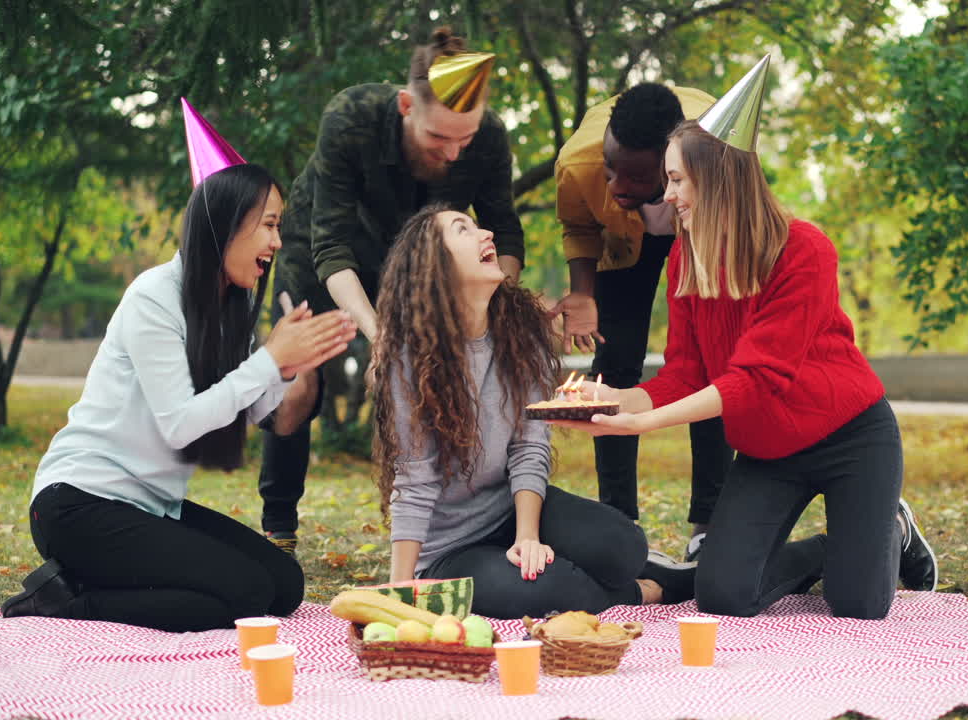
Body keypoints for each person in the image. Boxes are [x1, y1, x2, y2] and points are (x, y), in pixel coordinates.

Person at [553, 57, 937, 619]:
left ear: (717, 178)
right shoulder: (686, 256)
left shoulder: (806, 250)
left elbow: (755, 378)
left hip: (850, 437)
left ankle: (890, 531)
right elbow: (686, 373)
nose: (668, 196)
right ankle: (831, 550)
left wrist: (642, 421)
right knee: (723, 594)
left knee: (858, 605)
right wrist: (609, 401)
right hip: (769, 450)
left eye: (677, 180)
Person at [0, 163, 358, 631]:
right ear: (227, 224)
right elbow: (181, 424)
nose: (276, 242)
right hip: (77, 506)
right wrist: (269, 361)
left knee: (283, 585)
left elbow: (280, 419)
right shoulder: (154, 298)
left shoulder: (235, 308)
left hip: (152, 507)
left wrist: (302, 366)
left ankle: (102, 587)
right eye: (269, 225)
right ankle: (68, 600)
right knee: (246, 593)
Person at [260, 28, 524, 553]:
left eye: (464, 140)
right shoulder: (352, 116)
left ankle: (451, 525)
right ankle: (278, 527)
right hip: (322, 257)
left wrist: (499, 308)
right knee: (298, 384)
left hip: (416, 264)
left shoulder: (489, 136)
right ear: (406, 105)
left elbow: (505, 231)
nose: (453, 153)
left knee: (437, 375)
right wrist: (379, 333)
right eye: (438, 139)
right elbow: (330, 246)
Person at [371, 205, 693, 618]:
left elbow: (529, 446)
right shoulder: (408, 359)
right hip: (451, 550)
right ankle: (639, 593)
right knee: (546, 587)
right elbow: (414, 481)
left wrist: (526, 535)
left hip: (510, 509)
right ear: (435, 265)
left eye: (477, 223)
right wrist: (402, 589)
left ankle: (606, 571)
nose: (485, 232)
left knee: (623, 546)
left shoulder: (520, 332)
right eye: (462, 230)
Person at [551, 82, 731, 561]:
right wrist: (584, 294)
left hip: (700, 238)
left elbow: (743, 214)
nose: (615, 187)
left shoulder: (718, 153)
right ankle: (618, 518)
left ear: (673, 165)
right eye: (611, 170)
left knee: (714, 369)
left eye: (632, 178)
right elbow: (579, 226)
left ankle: (709, 523)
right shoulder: (577, 164)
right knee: (615, 363)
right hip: (621, 247)